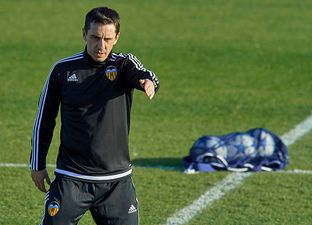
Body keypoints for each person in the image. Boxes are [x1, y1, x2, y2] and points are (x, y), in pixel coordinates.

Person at [30, 6, 159, 225]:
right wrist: (37, 163)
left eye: (108, 38)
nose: (101, 46)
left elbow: (144, 74)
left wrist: (148, 82)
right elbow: (44, 119)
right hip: (71, 179)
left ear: (117, 37)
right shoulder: (62, 70)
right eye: (95, 37)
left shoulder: (123, 64)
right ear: (84, 34)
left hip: (116, 183)